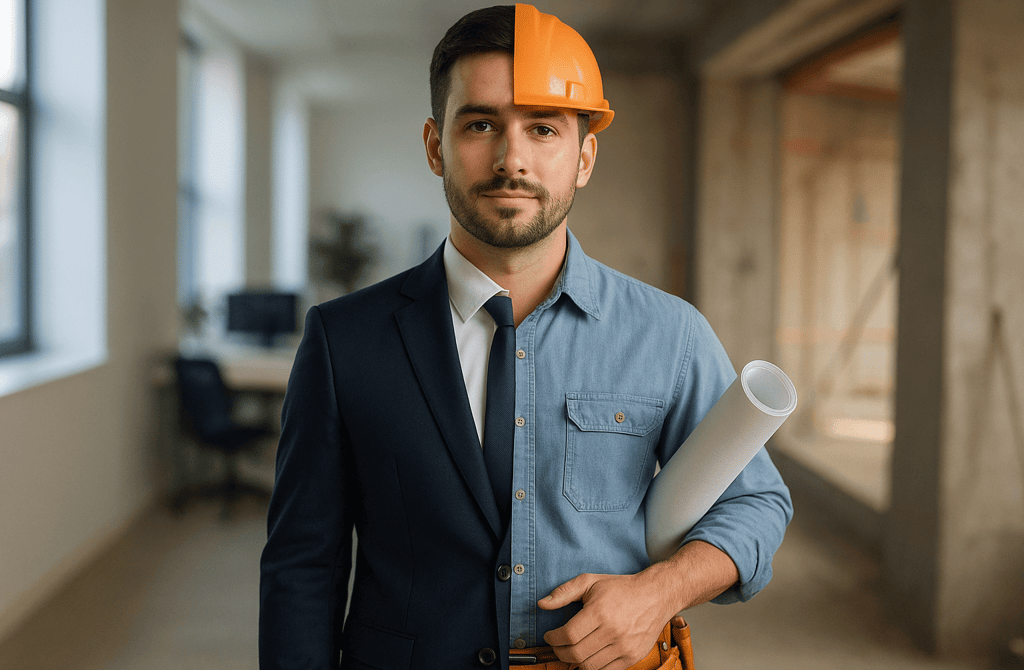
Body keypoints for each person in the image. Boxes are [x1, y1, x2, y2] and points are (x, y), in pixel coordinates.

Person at [259, 5, 792, 670]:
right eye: (481, 124)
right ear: (435, 146)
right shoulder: (344, 341)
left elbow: (756, 500)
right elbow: (302, 565)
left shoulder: (670, 333)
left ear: (584, 157)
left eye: (543, 129)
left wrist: (660, 591)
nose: (512, 160)